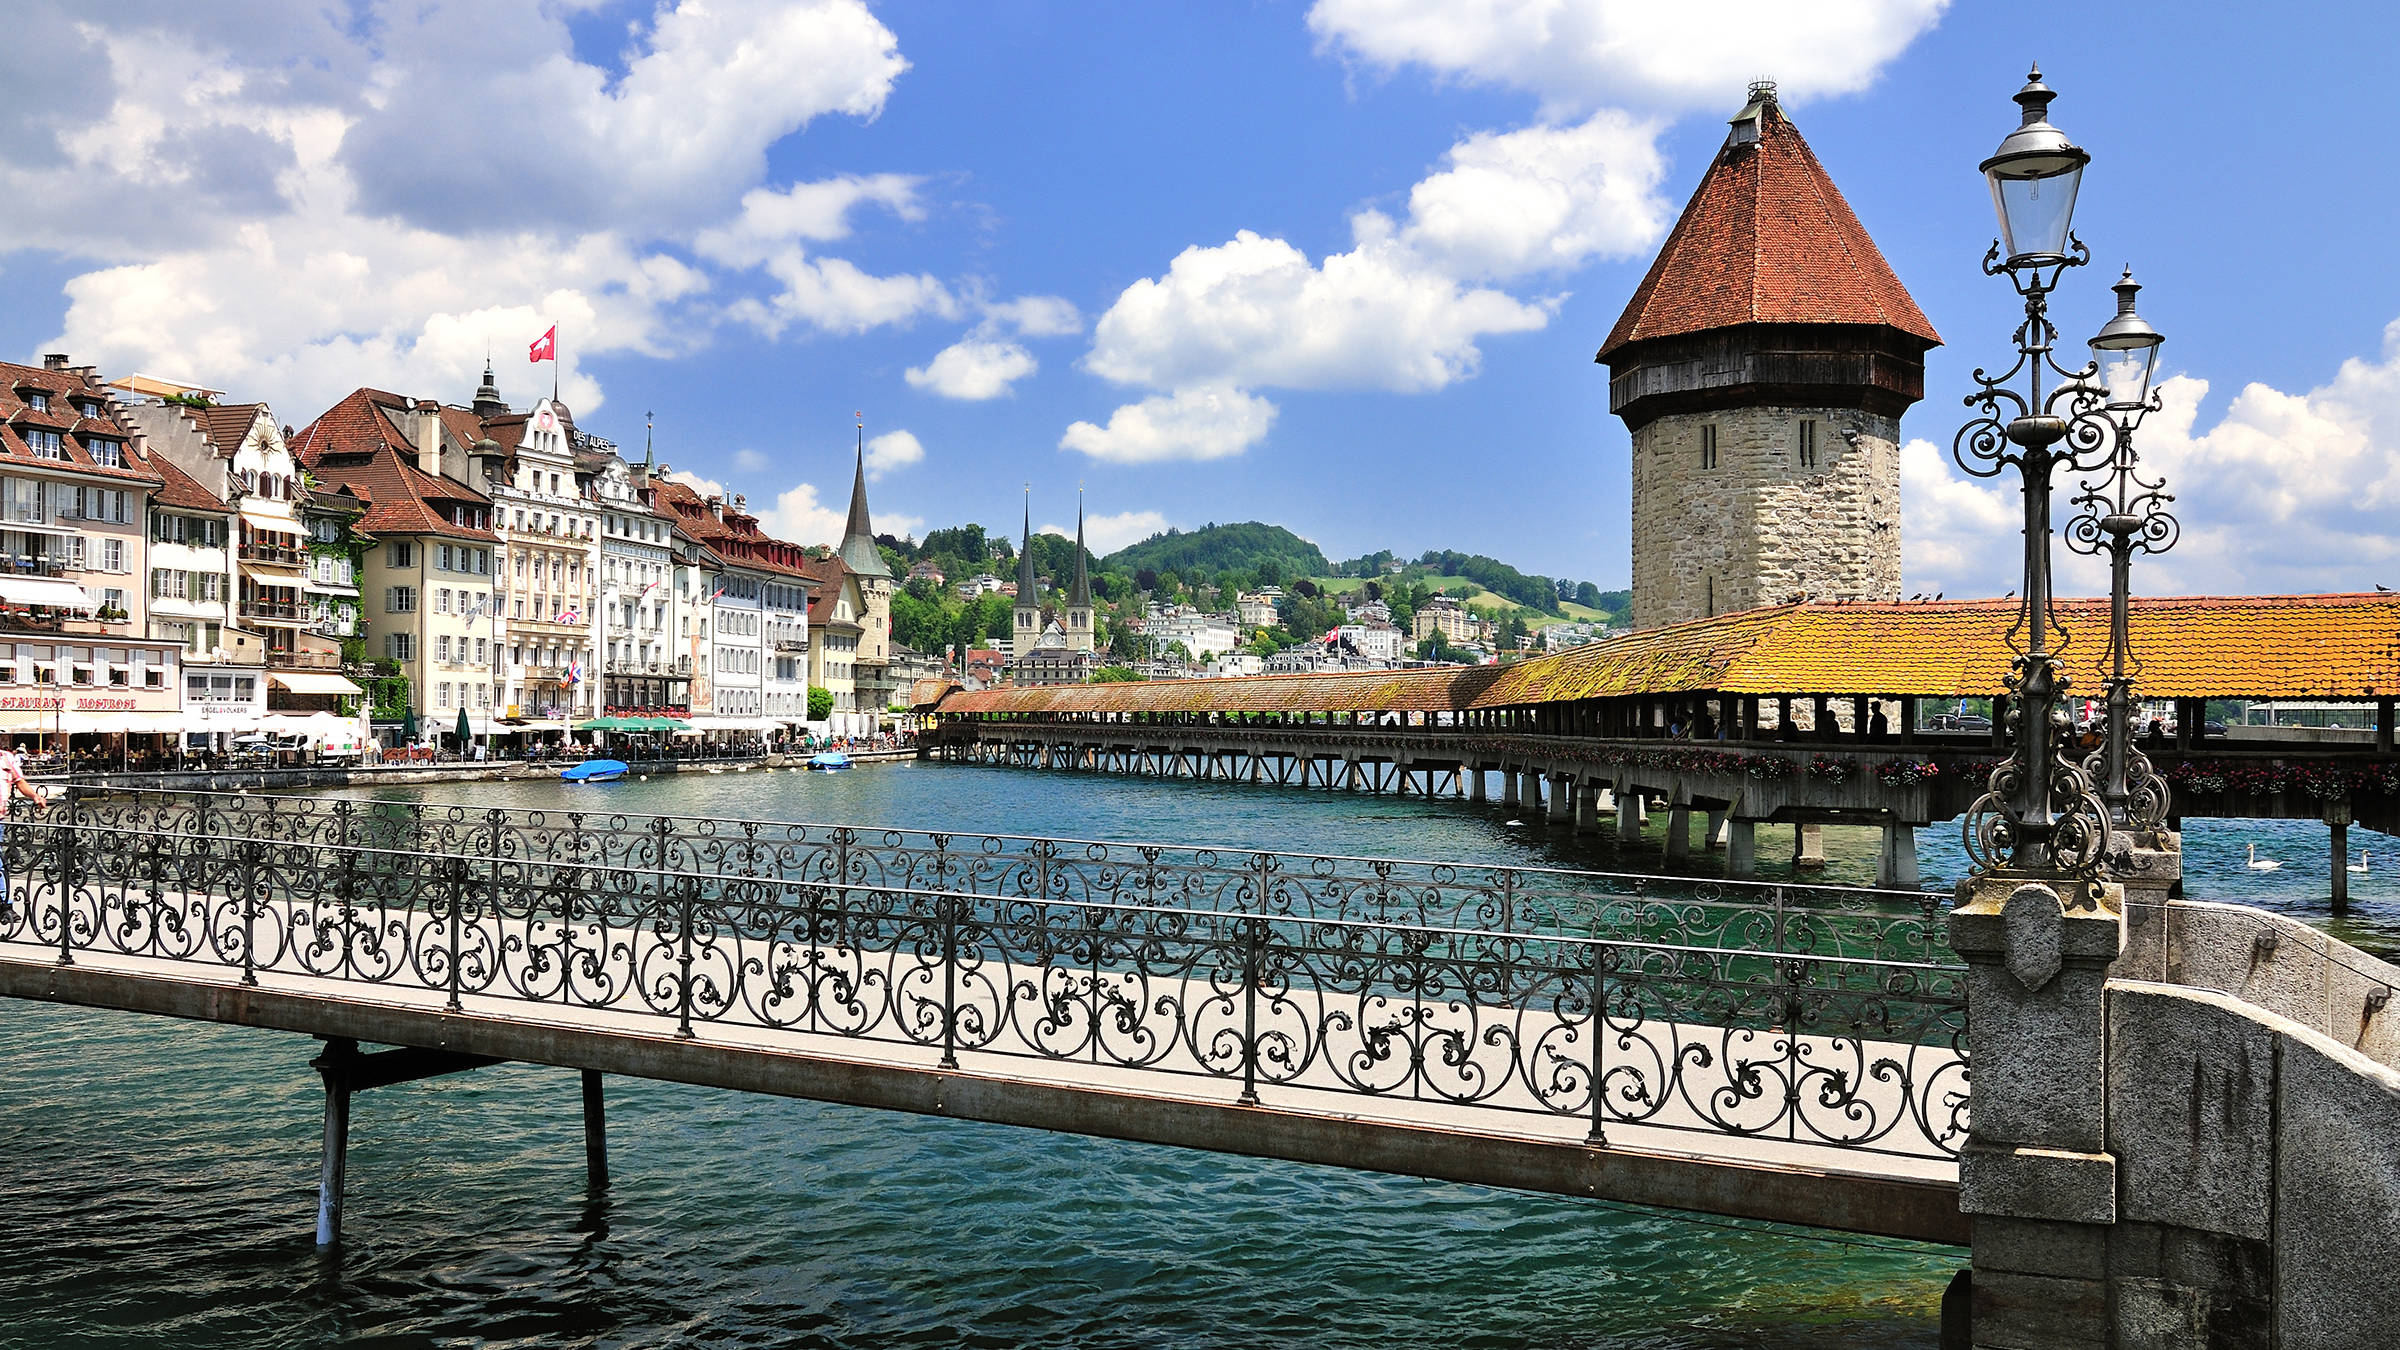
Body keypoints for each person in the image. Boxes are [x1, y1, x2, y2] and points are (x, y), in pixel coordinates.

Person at [0, 740, 45, 916]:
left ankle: (4, 904)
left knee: (0, 863)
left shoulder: (6, 759)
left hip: (0, 819)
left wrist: (35, 796)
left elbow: (20, 782)